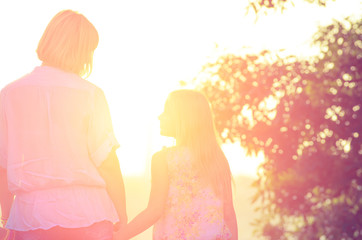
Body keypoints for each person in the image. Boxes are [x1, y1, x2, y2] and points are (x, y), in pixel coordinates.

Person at [0, 10, 127, 240]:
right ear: (80, 51)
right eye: (90, 50)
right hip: (88, 213)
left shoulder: (10, 94)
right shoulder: (91, 94)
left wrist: (7, 215)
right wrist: (122, 212)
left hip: (29, 216)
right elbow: (107, 161)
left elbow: (3, 164)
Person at [114, 90, 238, 240]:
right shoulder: (218, 159)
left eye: (167, 112)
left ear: (183, 119)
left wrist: (118, 236)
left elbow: (154, 210)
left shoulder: (163, 159)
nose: (159, 116)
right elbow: (229, 214)